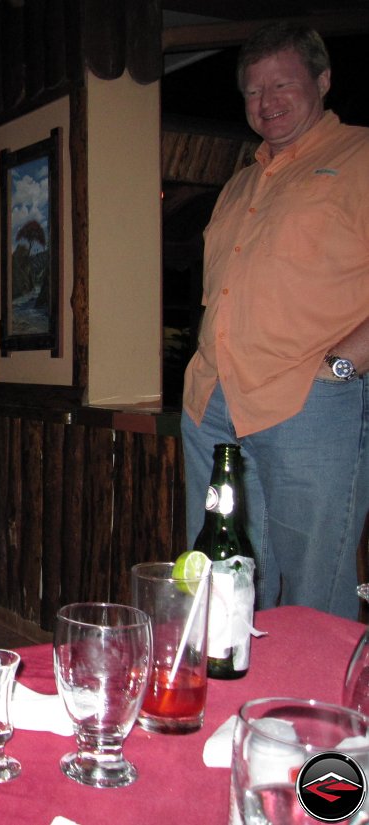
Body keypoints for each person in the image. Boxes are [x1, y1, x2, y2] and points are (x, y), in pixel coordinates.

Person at [181, 22, 369, 620]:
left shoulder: (362, 157)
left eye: (282, 84)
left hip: (310, 402)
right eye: (254, 91)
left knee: (316, 596)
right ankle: (234, 708)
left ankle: (317, 715)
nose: (267, 103)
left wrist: (340, 365)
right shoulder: (238, 185)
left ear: (323, 80)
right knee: (218, 590)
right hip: (213, 407)